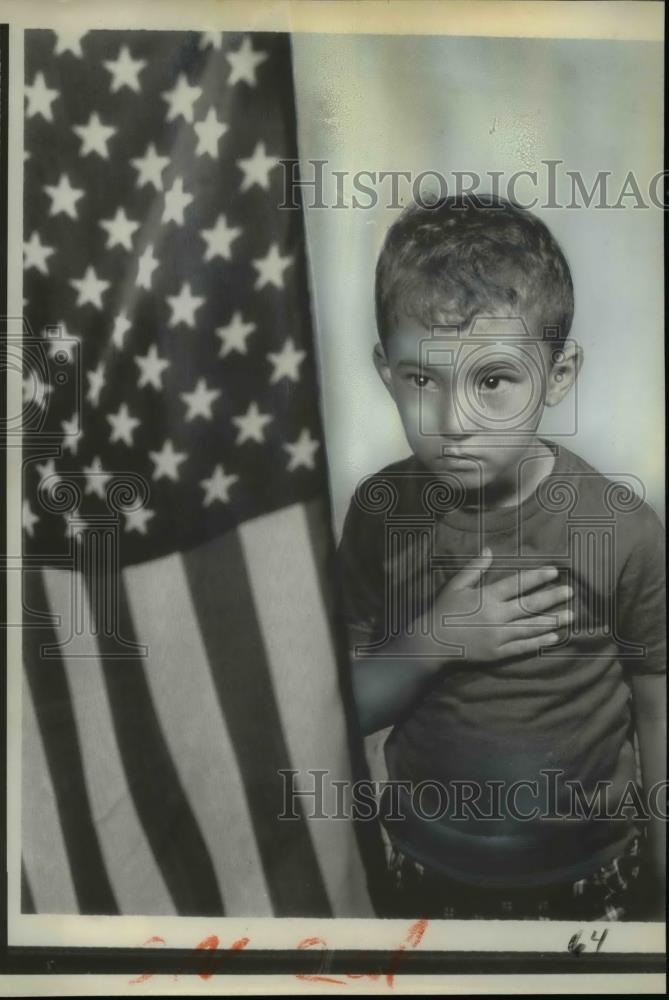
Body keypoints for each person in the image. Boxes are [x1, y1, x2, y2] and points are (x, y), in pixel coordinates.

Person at [337, 195, 666, 921]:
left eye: (492, 382)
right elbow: (345, 710)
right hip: (423, 866)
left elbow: (655, 708)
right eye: (422, 380)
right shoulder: (377, 516)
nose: (454, 422)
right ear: (384, 370)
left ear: (556, 375)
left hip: (592, 873)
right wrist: (435, 641)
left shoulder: (619, 530)